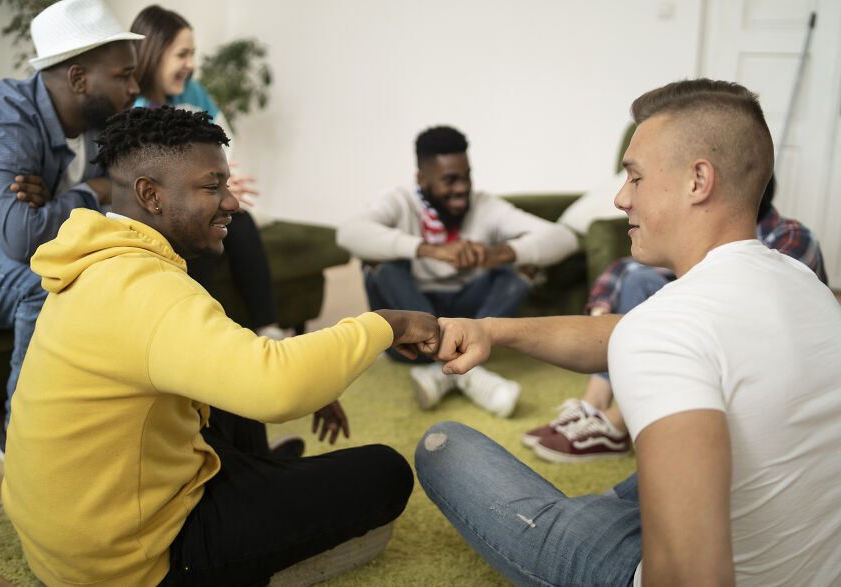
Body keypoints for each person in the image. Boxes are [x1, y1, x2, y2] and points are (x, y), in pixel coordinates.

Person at [416, 79, 841, 585]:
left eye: (635, 177)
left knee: (444, 446)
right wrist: (491, 331)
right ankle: (599, 515)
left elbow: (692, 576)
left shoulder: (666, 331)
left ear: (698, 180)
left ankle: (583, 522)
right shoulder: (803, 282)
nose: (620, 198)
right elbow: (628, 332)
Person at [1, 106, 439, 586]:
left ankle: (260, 473)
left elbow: (247, 366)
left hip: (68, 540)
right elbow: (278, 387)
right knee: (384, 472)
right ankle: (261, 499)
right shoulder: (149, 290)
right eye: (212, 187)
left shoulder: (100, 263)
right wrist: (387, 324)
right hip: (131, 563)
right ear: (150, 194)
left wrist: (318, 371)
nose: (231, 202)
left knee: (231, 372)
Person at [524, 174, 830, 463]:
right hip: (714, 326)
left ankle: (619, 422)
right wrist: (601, 313)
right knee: (640, 280)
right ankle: (594, 405)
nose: (624, 199)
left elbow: (741, 308)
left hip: (759, 360)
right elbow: (628, 267)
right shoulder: (706, 234)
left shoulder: (790, 237)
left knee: (685, 309)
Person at [0, 0, 142, 460]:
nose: (135, 88)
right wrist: (93, 191)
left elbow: (133, 194)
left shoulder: (99, 123)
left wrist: (59, 204)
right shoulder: (4, 117)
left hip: (13, 250)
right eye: (123, 75)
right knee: (49, 281)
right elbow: (22, 238)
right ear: (79, 78)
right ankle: (22, 441)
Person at [337, 125, 578, 417]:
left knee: (522, 265)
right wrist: (428, 249)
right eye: (450, 180)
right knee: (379, 260)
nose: (462, 188)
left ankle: (444, 372)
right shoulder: (398, 201)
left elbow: (565, 238)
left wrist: (499, 253)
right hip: (409, 332)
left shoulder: (484, 206)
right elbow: (348, 234)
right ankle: (465, 368)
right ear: (421, 179)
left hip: (467, 317)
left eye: (466, 177)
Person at [130, 4, 282, 338]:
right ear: (153, 54)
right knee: (198, 227)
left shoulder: (194, 92)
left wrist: (221, 185)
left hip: (202, 198)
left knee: (239, 219)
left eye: (193, 54)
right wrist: (212, 191)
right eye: (182, 54)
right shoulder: (134, 107)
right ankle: (200, 336)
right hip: (163, 211)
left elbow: (225, 143)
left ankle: (268, 329)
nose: (191, 64)